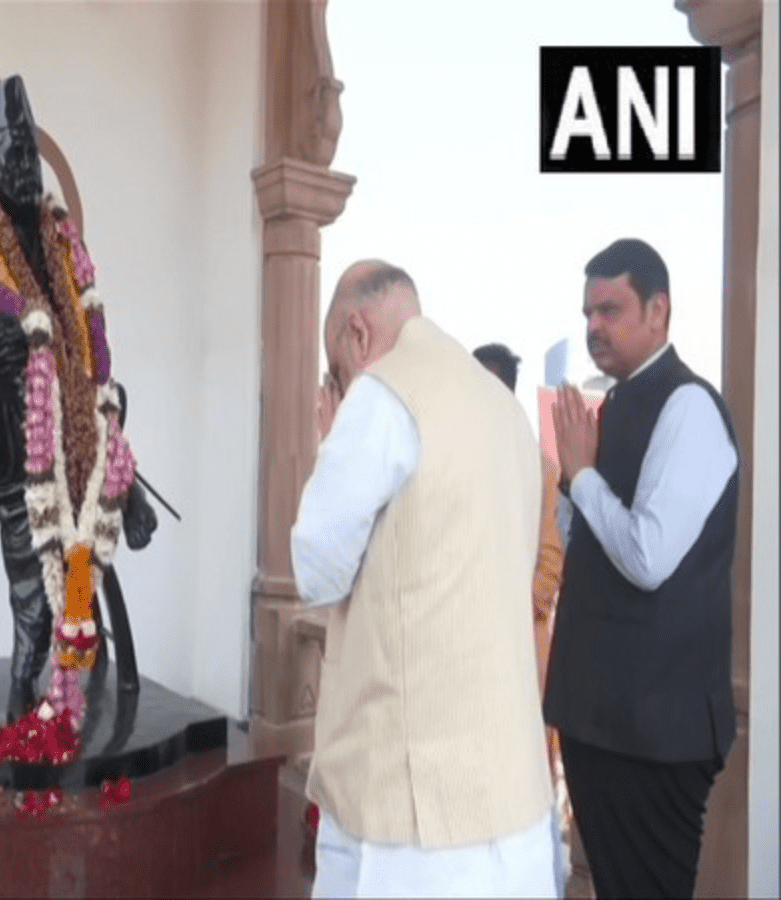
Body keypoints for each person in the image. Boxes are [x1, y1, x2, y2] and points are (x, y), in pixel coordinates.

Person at [291, 260, 556, 899]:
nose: (342, 383)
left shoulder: (383, 395)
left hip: (416, 807)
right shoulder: (505, 411)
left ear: (357, 333)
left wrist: (331, 446)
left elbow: (315, 568)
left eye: (336, 368)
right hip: (511, 792)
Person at [0, 75, 155, 724]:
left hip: (67, 419)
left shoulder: (59, 243)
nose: (24, 167)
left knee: (92, 409)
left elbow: (87, 345)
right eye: (11, 156)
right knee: (34, 490)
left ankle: (119, 490)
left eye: (30, 155)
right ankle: (32, 665)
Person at [545, 238, 738, 900]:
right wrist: (574, 486)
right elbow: (585, 547)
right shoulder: (618, 405)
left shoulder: (688, 408)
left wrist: (581, 473)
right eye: (587, 313)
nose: (595, 325)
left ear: (659, 311)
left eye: (611, 308)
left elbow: (648, 558)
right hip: (600, 720)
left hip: (656, 733)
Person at [474, 341, 567, 899]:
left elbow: (549, 565)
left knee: (526, 799)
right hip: (465, 655)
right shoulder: (455, 459)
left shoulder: (541, 467)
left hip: (518, 651)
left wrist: (494, 607)